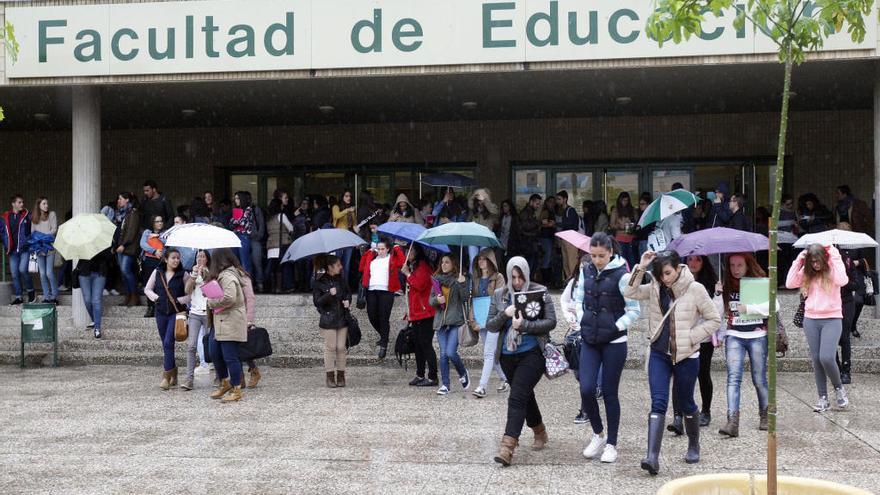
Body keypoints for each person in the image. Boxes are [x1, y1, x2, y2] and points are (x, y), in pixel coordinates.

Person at [625, 250, 721, 475]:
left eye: (667, 273)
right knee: (658, 401)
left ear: (678, 268)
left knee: (685, 401)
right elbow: (629, 291)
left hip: (686, 356)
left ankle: (693, 444)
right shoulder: (656, 287)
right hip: (659, 353)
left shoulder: (695, 288)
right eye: (659, 274)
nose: (664, 278)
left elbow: (714, 319)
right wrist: (641, 266)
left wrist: (691, 337)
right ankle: (652, 457)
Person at [572, 232, 641, 464]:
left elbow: (634, 310)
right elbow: (578, 299)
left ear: (611, 252)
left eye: (601, 256)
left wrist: (615, 326)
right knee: (586, 388)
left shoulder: (623, 275)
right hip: (590, 338)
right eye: (593, 256)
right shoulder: (586, 270)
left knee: (610, 393)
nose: (597, 260)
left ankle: (612, 443)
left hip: (614, 342)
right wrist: (583, 320)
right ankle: (598, 434)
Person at [487, 256, 557, 466]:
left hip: (533, 353)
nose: (517, 282)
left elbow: (551, 322)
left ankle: (507, 447)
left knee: (517, 397)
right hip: (508, 356)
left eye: (520, 277)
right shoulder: (500, 294)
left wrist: (525, 324)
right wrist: (504, 314)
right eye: (513, 277)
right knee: (525, 395)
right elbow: (490, 325)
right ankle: (540, 431)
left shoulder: (539, 291)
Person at [786, 244, 850, 411]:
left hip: (832, 318)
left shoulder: (833, 269)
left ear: (824, 258)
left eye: (818, 261)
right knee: (817, 360)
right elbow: (789, 283)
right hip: (811, 319)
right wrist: (799, 259)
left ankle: (839, 389)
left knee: (827, 357)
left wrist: (834, 254)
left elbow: (843, 280)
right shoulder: (808, 273)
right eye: (812, 261)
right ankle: (823, 398)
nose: (815, 264)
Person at [717, 253, 770, 437]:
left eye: (739, 265)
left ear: (748, 265)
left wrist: (749, 309)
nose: (735, 269)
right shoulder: (726, 284)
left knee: (759, 379)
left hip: (757, 334)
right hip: (734, 334)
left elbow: (773, 307)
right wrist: (717, 294)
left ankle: (765, 414)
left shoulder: (760, 282)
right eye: (732, 265)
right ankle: (732, 421)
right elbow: (717, 311)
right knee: (733, 378)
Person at [677, 255, 721, 428]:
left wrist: (717, 294)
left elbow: (714, 313)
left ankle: (706, 411)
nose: (693, 264)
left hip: (703, 337)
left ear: (704, 263)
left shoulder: (710, 284)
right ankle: (680, 413)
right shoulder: (680, 282)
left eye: (698, 260)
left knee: (703, 374)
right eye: (690, 260)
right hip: (683, 336)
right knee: (682, 375)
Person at [144, 248, 191, 391]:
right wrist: (156, 298)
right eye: (173, 258)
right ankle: (173, 371)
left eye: (178, 258)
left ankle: (166, 376)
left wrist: (179, 300)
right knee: (166, 344)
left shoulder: (184, 274)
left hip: (176, 314)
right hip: (160, 313)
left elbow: (191, 294)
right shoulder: (157, 272)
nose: (176, 260)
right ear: (166, 259)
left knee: (168, 341)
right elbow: (147, 289)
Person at [205, 248, 248, 402]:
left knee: (230, 357)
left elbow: (229, 298)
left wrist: (212, 302)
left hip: (230, 321)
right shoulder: (222, 276)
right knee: (214, 353)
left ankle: (236, 389)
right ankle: (225, 383)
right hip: (220, 321)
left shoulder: (228, 276)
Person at [465, 248, 509, 398]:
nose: (481, 261)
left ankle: (482, 387)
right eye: (479, 259)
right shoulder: (475, 279)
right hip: (480, 320)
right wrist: (472, 321)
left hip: (494, 321)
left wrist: (488, 322)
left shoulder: (499, 278)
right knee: (492, 354)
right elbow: (473, 301)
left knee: (489, 354)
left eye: (484, 258)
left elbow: (500, 301)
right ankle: (506, 379)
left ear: (490, 261)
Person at [359, 238, 405, 359]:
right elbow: (361, 267)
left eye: (383, 249)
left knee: (383, 318)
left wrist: (397, 248)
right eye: (378, 249)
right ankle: (384, 336)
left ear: (388, 249)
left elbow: (402, 263)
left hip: (386, 291)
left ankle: (383, 345)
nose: (380, 251)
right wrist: (368, 252)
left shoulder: (392, 258)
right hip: (372, 290)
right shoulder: (372, 258)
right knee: (372, 316)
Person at [401, 244, 438, 387]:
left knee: (426, 344)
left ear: (417, 253)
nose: (407, 254)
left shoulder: (423, 266)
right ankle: (420, 374)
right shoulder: (414, 267)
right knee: (418, 345)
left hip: (426, 313)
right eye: (406, 252)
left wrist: (408, 274)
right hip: (416, 313)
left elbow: (421, 285)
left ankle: (433, 376)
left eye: (410, 251)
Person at [313, 254, 352, 388]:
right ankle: (330, 376)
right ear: (330, 267)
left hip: (342, 317)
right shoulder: (319, 281)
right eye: (338, 265)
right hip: (328, 319)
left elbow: (348, 293)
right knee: (330, 348)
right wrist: (329, 294)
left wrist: (348, 301)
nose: (341, 267)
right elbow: (317, 302)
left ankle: (341, 376)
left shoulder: (341, 279)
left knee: (341, 348)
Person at [183, 249, 212, 391]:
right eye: (198, 256)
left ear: (207, 259)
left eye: (203, 256)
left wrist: (204, 274)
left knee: (212, 345)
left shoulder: (212, 273)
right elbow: (187, 290)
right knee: (191, 346)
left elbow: (211, 292)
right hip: (194, 313)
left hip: (208, 313)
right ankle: (189, 379)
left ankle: (220, 375)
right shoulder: (191, 273)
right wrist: (194, 275)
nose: (200, 259)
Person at [2, 194, 35, 304]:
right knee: (14, 274)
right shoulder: (6, 217)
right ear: (13, 204)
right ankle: (18, 296)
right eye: (19, 202)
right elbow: (2, 233)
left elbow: (33, 230)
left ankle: (31, 292)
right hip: (12, 251)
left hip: (24, 249)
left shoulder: (27, 216)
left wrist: (29, 242)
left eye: (22, 202)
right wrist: (6, 244)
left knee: (23, 270)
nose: (22, 204)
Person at [76, 247, 113, 338]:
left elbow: (109, 256)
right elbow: (77, 255)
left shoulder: (102, 241)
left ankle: (97, 328)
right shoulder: (81, 241)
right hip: (84, 271)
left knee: (96, 300)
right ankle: (94, 320)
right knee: (87, 300)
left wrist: (96, 251)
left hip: (100, 272)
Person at [114, 192, 142, 307]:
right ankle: (128, 295)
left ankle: (134, 295)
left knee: (126, 271)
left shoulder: (133, 213)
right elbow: (120, 232)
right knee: (123, 272)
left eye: (120, 199)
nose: (118, 201)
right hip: (121, 248)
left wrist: (123, 245)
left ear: (127, 200)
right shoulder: (123, 213)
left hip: (128, 248)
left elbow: (131, 231)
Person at [29, 197, 59, 303]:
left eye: (47, 203)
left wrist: (41, 237)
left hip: (50, 247)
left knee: (49, 273)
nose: (46, 205)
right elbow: (32, 233)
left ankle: (55, 296)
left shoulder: (52, 214)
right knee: (42, 273)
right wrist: (41, 238)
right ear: (38, 205)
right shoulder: (34, 217)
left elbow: (54, 230)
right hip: (39, 248)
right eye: (44, 203)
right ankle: (46, 297)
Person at [265, 198, 294, 294]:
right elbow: (291, 228)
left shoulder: (268, 218)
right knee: (283, 267)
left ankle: (272, 288)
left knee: (273, 267)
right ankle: (282, 287)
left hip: (271, 245)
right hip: (282, 244)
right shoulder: (282, 216)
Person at [140, 215, 166, 318]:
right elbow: (143, 244)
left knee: (160, 284)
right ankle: (150, 307)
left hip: (161, 261)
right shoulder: (147, 232)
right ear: (153, 223)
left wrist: (159, 237)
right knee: (148, 284)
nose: (160, 223)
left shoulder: (165, 233)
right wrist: (154, 251)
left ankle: (159, 307)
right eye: (157, 221)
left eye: (161, 221)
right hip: (149, 260)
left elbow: (168, 244)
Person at [332, 190, 357, 283]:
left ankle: (344, 285)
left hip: (349, 238)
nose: (349, 198)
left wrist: (357, 239)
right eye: (346, 196)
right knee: (337, 262)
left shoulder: (352, 210)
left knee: (346, 264)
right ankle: (336, 284)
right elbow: (336, 216)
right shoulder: (336, 207)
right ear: (342, 197)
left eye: (350, 196)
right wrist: (347, 210)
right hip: (338, 237)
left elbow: (354, 225)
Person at [555, 190, 581, 280]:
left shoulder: (570, 210)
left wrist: (556, 224)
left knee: (572, 261)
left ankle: (574, 280)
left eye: (559, 199)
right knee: (566, 262)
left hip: (571, 238)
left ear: (565, 199)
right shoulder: (564, 211)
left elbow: (571, 225)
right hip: (565, 238)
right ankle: (569, 280)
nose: (557, 201)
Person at [610, 192, 638, 269]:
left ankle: (632, 276)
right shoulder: (615, 210)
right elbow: (612, 224)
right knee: (621, 259)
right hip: (620, 237)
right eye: (623, 200)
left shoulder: (632, 210)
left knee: (632, 259)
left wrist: (632, 225)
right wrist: (620, 226)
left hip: (630, 238)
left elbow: (637, 223)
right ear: (620, 200)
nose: (625, 202)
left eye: (627, 200)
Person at [229, 191, 255, 274]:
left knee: (245, 261)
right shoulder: (236, 210)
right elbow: (231, 223)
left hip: (244, 236)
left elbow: (243, 222)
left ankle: (247, 284)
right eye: (235, 198)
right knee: (235, 260)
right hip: (235, 236)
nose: (235, 200)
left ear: (241, 199)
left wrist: (235, 221)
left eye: (237, 198)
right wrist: (236, 221)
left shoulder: (248, 209)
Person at [519, 194, 542, 275]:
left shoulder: (530, 212)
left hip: (531, 243)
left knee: (533, 265)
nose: (538, 206)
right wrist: (539, 223)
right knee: (529, 265)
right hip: (528, 243)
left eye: (539, 204)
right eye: (537, 203)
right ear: (531, 202)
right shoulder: (525, 213)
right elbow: (526, 226)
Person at [538, 196, 557, 286]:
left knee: (549, 258)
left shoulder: (552, 212)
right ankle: (545, 280)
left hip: (549, 237)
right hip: (545, 237)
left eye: (554, 202)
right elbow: (543, 223)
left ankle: (548, 279)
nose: (552, 204)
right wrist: (552, 224)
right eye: (550, 202)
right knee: (547, 257)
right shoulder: (546, 212)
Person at [497, 199, 519, 264]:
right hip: (501, 242)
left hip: (510, 244)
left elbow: (516, 231)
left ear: (510, 207)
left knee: (509, 262)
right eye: (503, 206)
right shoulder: (502, 217)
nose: (504, 208)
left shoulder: (514, 218)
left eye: (506, 206)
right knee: (498, 261)